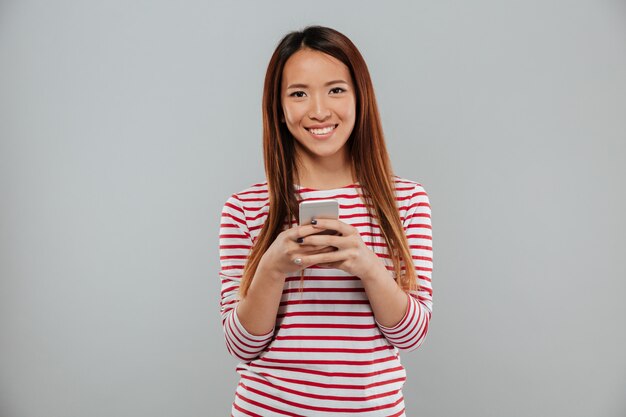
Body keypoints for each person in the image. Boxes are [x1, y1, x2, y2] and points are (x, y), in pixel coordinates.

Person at [218, 25, 433, 417]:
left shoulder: (404, 201)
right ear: (279, 110)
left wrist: (367, 266)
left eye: (336, 89)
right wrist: (272, 268)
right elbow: (241, 345)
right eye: (299, 93)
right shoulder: (245, 207)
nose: (318, 110)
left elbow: (413, 334)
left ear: (360, 98)